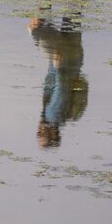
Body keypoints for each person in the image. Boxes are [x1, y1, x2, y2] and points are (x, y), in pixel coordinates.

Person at [29, 14, 89, 148]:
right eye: (41, 134)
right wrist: (58, 66)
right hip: (63, 60)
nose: (38, 131)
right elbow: (62, 89)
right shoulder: (54, 116)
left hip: (73, 60)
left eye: (37, 134)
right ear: (54, 134)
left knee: (73, 12)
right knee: (35, 28)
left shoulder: (57, 117)